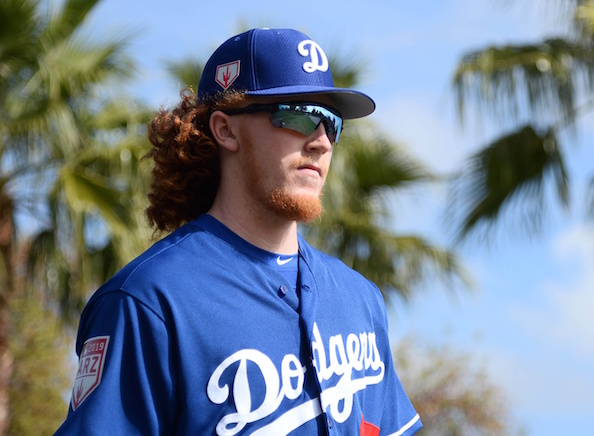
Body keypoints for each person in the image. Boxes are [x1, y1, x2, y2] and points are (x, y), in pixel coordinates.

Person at [54, 28, 422, 435]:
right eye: (297, 114)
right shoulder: (148, 301)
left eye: (331, 123)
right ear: (226, 130)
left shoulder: (360, 299)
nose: (320, 142)